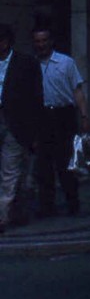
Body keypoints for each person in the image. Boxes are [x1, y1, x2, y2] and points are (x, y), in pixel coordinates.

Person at [32, 27, 89, 216]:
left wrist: (84, 116)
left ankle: (73, 202)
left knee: (65, 162)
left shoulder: (66, 62)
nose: (41, 44)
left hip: (63, 115)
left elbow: (77, 90)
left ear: (51, 41)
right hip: (42, 117)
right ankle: (47, 206)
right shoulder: (31, 65)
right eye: (38, 41)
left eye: (44, 40)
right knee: (44, 165)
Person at [0, 24, 42, 232]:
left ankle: (3, 216)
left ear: (7, 41)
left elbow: (36, 98)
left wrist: (34, 131)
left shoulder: (26, 63)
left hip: (16, 123)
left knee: (10, 171)